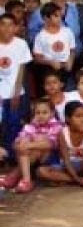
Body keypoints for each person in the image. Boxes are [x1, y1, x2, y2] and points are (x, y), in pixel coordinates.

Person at [37, 101, 83, 188]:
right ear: (67, 118)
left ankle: (62, 178)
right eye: (78, 116)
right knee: (40, 171)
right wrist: (79, 181)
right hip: (68, 166)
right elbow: (66, 161)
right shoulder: (62, 133)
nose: (82, 119)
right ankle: (76, 179)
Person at [2, 99, 61, 193]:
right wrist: (19, 144)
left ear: (52, 113)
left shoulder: (57, 126)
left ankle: (19, 176)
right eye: (38, 113)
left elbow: (52, 144)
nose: (41, 116)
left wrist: (29, 145)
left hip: (50, 158)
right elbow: (17, 141)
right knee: (23, 140)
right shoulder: (31, 125)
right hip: (31, 158)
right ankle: (26, 180)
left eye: (44, 112)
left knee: (39, 140)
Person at [0, 13, 33, 160]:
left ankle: (13, 156)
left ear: (16, 27)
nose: (6, 28)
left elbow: (21, 71)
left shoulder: (21, 44)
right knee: (2, 125)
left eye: (10, 24)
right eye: (3, 24)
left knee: (14, 124)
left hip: (15, 92)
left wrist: (16, 93)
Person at [32, 1, 76, 96]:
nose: (59, 18)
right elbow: (37, 58)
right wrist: (50, 62)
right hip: (49, 70)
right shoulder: (41, 36)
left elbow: (72, 50)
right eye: (55, 16)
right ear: (46, 18)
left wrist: (70, 61)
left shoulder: (67, 32)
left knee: (68, 94)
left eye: (60, 16)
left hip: (66, 69)